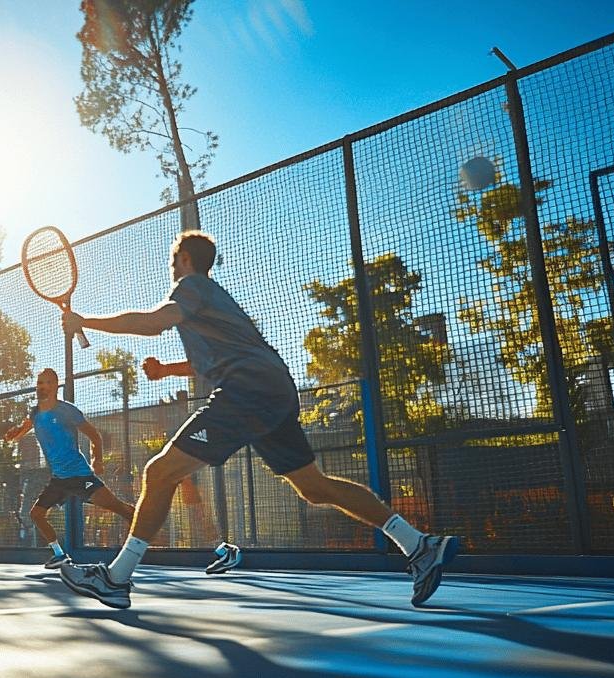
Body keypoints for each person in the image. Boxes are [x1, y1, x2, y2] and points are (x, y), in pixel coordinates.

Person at [57, 230, 461, 610]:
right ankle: (418, 544)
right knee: (314, 487)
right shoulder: (213, 303)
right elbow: (209, 361)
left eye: (173, 259)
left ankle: (116, 578)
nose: (171, 266)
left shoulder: (191, 286)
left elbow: (152, 322)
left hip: (247, 389)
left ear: (185, 259)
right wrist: (166, 371)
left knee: (159, 473)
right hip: (274, 388)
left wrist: (85, 321)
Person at [2, 368, 135, 568]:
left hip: (80, 476)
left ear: (56, 386)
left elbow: (94, 435)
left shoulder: (67, 411)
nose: (42, 386)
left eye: (47, 382)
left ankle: (140, 538)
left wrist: (97, 460)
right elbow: (25, 427)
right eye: (39, 383)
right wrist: (15, 433)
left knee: (118, 508)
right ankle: (59, 554)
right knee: (36, 514)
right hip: (59, 480)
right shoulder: (35, 412)